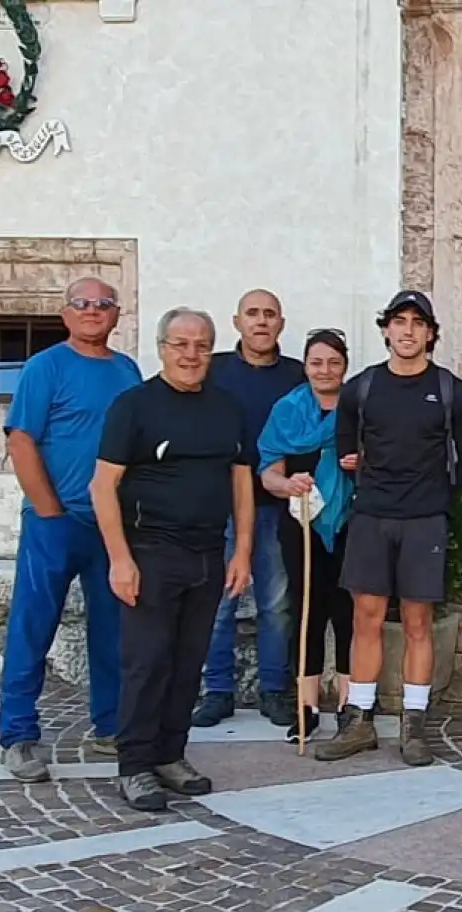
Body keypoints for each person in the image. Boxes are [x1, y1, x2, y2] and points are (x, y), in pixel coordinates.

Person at [310, 289, 462, 766]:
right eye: (399, 321)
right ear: (386, 329)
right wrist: (356, 465)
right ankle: (360, 720)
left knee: (417, 623)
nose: (408, 330)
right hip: (371, 516)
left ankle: (414, 724)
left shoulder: (452, 390)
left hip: (424, 521)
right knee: (365, 619)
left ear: (430, 333)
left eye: (417, 322)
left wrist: (436, 494)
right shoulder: (363, 387)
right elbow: (346, 442)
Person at [89, 307, 254, 811]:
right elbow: (102, 486)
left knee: (188, 662)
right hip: (150, 553)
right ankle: (134, 764)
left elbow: (241, 479)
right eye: (181, 344)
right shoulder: (133, 406)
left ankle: (169, 754)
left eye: (201, 345)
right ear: (162, 348)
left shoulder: (227, 407)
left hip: (207, 552)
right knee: (147, 661)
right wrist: (120, 559)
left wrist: (242, 550)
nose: (191, 355)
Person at [0, 277, 142, 782]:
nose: (93, 311)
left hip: (113, 527)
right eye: (82, 304)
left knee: (113, 631)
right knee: (33, 627)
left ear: (117, 315)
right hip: (56, 523)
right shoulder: (45, 367)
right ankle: (17, 735)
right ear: (66, 314)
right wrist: (50, 511)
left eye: (103, 304)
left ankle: (109, 727)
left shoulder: (128, 371)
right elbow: (21, 441)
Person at [193, 290, 306, 727]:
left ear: (281, 322)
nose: (261, 322)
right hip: (220, 506)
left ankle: (274, 689)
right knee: (220, 602)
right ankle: (216, 690)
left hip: (277, 508)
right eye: (252, 314)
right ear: (236, 321)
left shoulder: (297, 376)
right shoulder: (213, 370)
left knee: (276, 604)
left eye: (270, 314)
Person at [257, 328, 356, 744]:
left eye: (333, 362)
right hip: (301, 523)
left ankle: (352, 707)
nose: (325, 370)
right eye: (316, 362)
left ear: (345, 366)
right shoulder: (286, 410)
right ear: (305, 366)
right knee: (307, 612)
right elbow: (268, 474)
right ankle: (307, 708)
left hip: (352, 519)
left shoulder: (358, 408)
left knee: (348, 612)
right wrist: (288, 485)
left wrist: (361, 464)